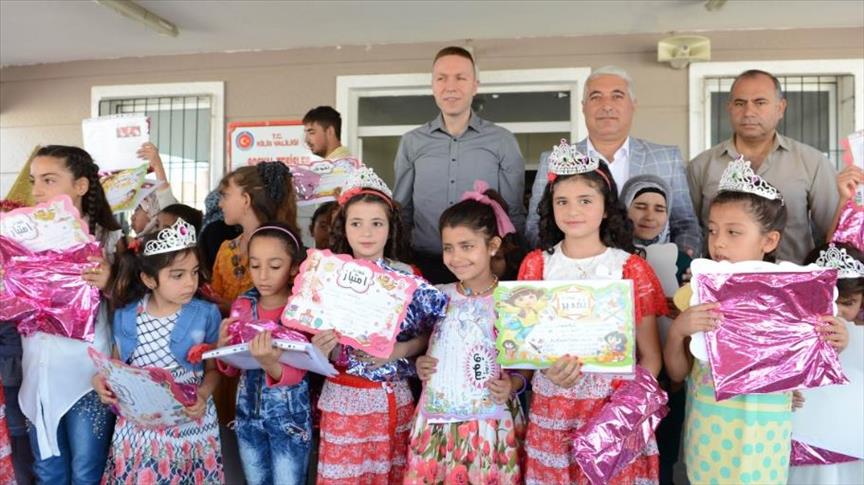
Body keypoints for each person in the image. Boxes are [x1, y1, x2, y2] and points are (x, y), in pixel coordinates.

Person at [664, 159, 848, 484]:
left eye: (733, 232)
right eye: (712, 230)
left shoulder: (794, 298)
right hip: (709, 434)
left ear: (769, 241)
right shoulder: (694, 294)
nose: (719, 242)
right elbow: (678, 374)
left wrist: (836, 340)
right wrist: (679, 331)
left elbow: (812, 357)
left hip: (767, 435)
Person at [518, 140, 666, 483]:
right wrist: (545, 368)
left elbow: (651, 357)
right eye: (562, 201)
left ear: (606, 209)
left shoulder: (630, 268)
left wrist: (622, 415)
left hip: (613, 410)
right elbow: (525, 346)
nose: (573, 210)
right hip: (554, 406)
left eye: (585, 200)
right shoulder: (537, 265)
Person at [312, 167, 448, 484]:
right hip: (343, 399)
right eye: (356, 223)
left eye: (377, 223)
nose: (367, 233)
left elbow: (429, 335)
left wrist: (398, 349)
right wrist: (320, 348)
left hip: (393, 398)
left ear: (391, 228)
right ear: (344, 228)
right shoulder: (326, 276)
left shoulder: (407, 276)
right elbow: (313, 344)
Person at [405, 182, 527, 484]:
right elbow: (424, 343)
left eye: (467, 246)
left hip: (490, 421)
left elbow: (527, 359)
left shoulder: (513, 300)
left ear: (493, 245)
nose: (456, 257)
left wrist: (514, 382)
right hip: (438, 419)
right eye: (448, 248)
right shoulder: (436, 295)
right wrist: (419, 363)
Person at [94, 218, 223, 483]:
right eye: (178, 275)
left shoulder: (206, 314)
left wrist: (203, 394)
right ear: (149, 279)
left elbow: (213, 369)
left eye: (194, 272)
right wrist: (101, 380)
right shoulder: (127, 315)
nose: (190, 282)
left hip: (189, 422)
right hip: (140, 426)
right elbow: (116, 366)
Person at [22, 145, 120, 483]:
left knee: (86, 470)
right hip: (39, 370)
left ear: (80, 185)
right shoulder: (21, 239)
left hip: (88, 374)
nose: (38, 190)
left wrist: (111, 283)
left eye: (49, 180)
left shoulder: (109, 241)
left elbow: (133, 307)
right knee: (48, 471)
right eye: (34, 180)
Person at [527, 66, 701, 256]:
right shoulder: (555, 160)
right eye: (596, 97)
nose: (607, 106)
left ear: (633, 104)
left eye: (617, 96)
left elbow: (685, 224)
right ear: (583, 106)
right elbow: (536, 225)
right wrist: (561, 261)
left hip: (653, 268)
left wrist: (680, 262)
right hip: (575, 270)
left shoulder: (666, 158)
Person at [393, 46, 526, 283]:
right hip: (424, 266)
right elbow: (402, 211)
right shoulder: (411, 142)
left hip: (484, 269)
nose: (450, 86)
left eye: (460, 78)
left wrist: (514, 265)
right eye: (441, 78)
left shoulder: (502, 141)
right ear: (432, 86)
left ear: (475, 85)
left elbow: (512, 212)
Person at [688, 69, 839, 264]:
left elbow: (833, 234)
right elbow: (690, 230)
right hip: (722, 279)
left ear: (780, 108)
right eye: (740, 103)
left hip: (791, 278)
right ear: (729, 108)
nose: (748, 112)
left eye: (760, 102)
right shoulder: (702, 166)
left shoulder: (812, 162)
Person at [215, 223, 312, 485]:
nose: (263, 276)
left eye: (275, 266)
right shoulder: (243, 305)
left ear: (294, 268)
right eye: (255, 266)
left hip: (289, 418)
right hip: (247, 415)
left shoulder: (301, 309)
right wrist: (223, 348)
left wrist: (271, 364)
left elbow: (302, 369)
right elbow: (232, 368)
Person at [128, 142, 178, 236]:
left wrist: (157, 164)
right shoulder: (140, 240)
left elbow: (166, 202)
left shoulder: (165, 234)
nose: (131, 218)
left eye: (136, 210)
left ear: (152, 211)